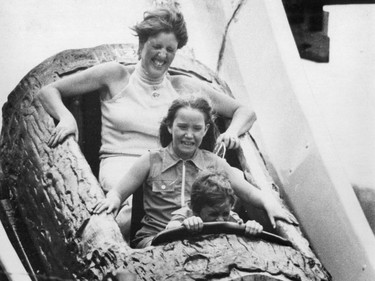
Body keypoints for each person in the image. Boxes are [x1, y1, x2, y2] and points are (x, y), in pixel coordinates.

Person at [36, 7, 256, 195]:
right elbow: (49, 91)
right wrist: (66, 117)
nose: (162, 55)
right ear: (142, 45)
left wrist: (232, 132)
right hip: (120, 168)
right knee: (146, 203)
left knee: (222, 187)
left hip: (167, 168)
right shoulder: (115, 75)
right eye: (156, 46)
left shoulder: (182, 86)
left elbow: (244, 111)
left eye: (170, 50)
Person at [93, 95, 293, 248]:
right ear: (170, 127)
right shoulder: (150, 160)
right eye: (182, 127)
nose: (189, 135)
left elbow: (248, 192)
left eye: (196, 128)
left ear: (205, 130)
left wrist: (269, 203)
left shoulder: (213, 162)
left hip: (205, 234)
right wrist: (113, 199)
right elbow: (118, 192)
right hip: (156, 239)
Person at [165, 170, 263, 236]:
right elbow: (170, 228)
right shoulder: (185, 214)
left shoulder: (231, 217)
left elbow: (242, 228)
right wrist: (184, 226)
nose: (220, 220)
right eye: (213, 214)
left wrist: (252, 227)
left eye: (225, 214)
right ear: (196, 210)